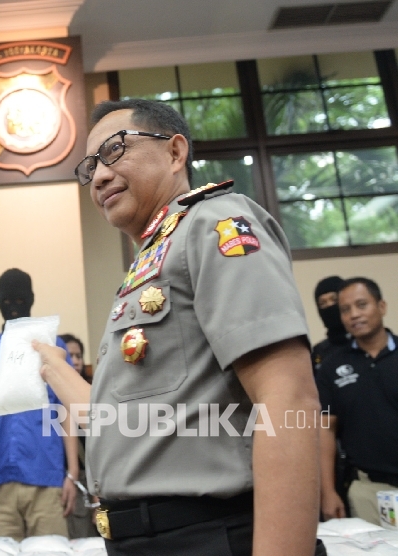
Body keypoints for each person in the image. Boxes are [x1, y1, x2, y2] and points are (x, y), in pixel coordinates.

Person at [33, 98, 322, 555]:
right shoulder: (149, 263)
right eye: (89, 167)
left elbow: (287, 398)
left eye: (113, 151)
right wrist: (50, 366)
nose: (100, 176)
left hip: (206, 535)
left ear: (174, 152)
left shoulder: (215, 223)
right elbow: (125, 423)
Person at [0, 268, 79, 541]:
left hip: (47, 480)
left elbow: (66, 409)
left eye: (19, 300)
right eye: (6, 301)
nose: (13, 307)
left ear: (31, 299)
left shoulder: (53, 345)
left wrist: (72, 472)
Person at [316, 277, 397, 526]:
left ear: (381, 306)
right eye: (345, 309)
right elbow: (325, 430)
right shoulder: (331, 366)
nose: (354, 315)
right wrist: (328, 492)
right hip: (368, 490)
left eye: (362, 305)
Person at [59, 333, 99, 539]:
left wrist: (96, 495)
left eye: (78, 356)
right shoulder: (51, 395)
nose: (75, 361)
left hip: (87, 480)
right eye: (69, 356)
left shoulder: (92, 393)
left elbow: (98, 447)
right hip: (56, 480)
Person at [312, 276, 349, 372]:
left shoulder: (365, 341)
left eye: (334, 300)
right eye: (322, 303)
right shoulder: (318, 352)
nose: (329, 306)